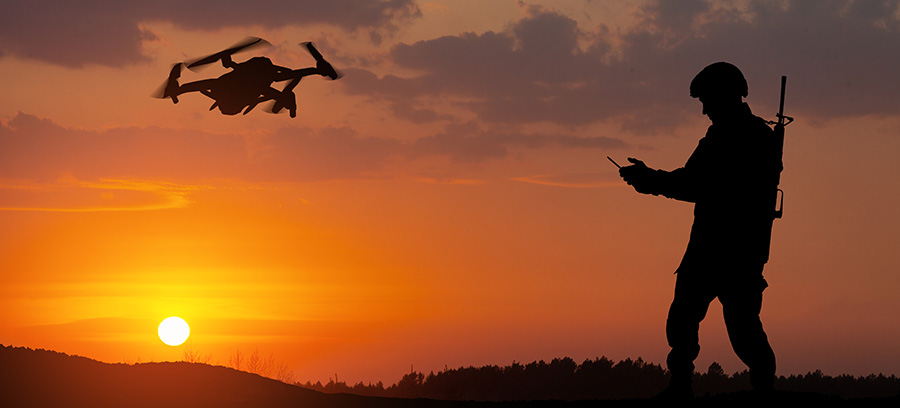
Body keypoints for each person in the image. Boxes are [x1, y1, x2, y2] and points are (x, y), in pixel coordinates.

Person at [617, 62, 779, 399]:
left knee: (742, 329)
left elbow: (695, 184)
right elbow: (694, 181)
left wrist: (650, 180)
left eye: (707, 100)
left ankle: (762, 390)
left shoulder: (745, 137)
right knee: (685, 319)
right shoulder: (734, 135)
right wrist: (652, 179)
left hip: (733, 252)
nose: (704, 109)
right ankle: (682, 386)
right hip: (713, 250)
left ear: (725, 96)